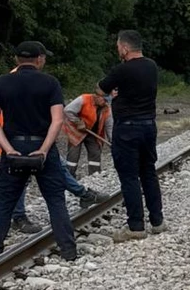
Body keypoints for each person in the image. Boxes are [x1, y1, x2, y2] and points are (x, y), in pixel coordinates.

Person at [0, 41, 77, 260]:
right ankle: (68, 251)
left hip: (14, 145)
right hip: (41, 145)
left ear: (16, 60)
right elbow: (57, 120)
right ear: (39, 59)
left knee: (5, 200)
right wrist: (43, 150)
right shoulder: (50, 83)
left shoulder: (1, 83)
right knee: (55, 200)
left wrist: (8, 149)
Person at [97, 30, 166, 242]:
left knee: (129, 176)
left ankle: (136, 225)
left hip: (127, 128)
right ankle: (157, 221)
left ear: (125, 48)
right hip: (148, 126)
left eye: (119, 46)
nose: (118, 50)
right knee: (148, 172)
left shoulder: (121, 70)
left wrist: (111, 95)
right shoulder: (151, 66)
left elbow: (100, 90)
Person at [64, 92, 113, 177]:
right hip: (76, 131)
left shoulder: (107, 109)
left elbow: (110, 127)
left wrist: (113, 142)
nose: (105, 102)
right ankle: (69, 177)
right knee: (73, 155)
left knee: (95, 152)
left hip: (93, 133)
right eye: (104, 100)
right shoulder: (84, 99)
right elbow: (67, 110)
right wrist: (78, 121)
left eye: (107, 101)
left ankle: (95, 175)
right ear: (98, 96)